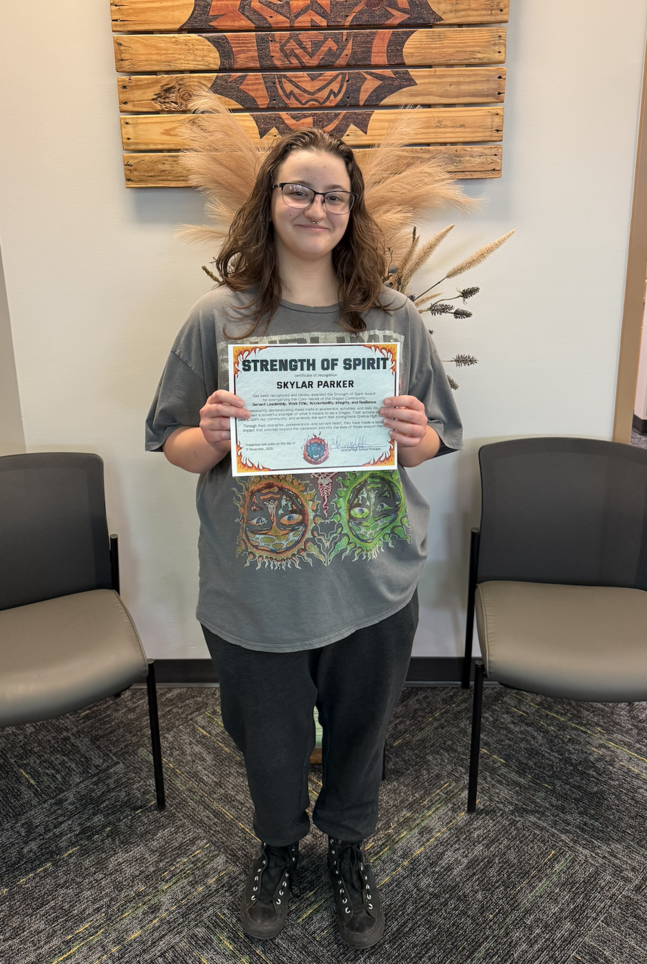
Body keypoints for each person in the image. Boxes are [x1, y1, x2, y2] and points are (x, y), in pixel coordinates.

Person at [146, 127, 462, 949]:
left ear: (351, 211)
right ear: (270, 202)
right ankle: (279, 846)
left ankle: (349, 847)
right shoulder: (216, 318)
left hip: (371, 576)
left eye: (332, 195)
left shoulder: (393, 317)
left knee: (362, 734)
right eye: (298, 191)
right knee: (269, 740)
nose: (315, 207)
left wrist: (411, 430)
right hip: (257, 588)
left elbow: (433, 442)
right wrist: (210, 435)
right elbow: (174, 446)